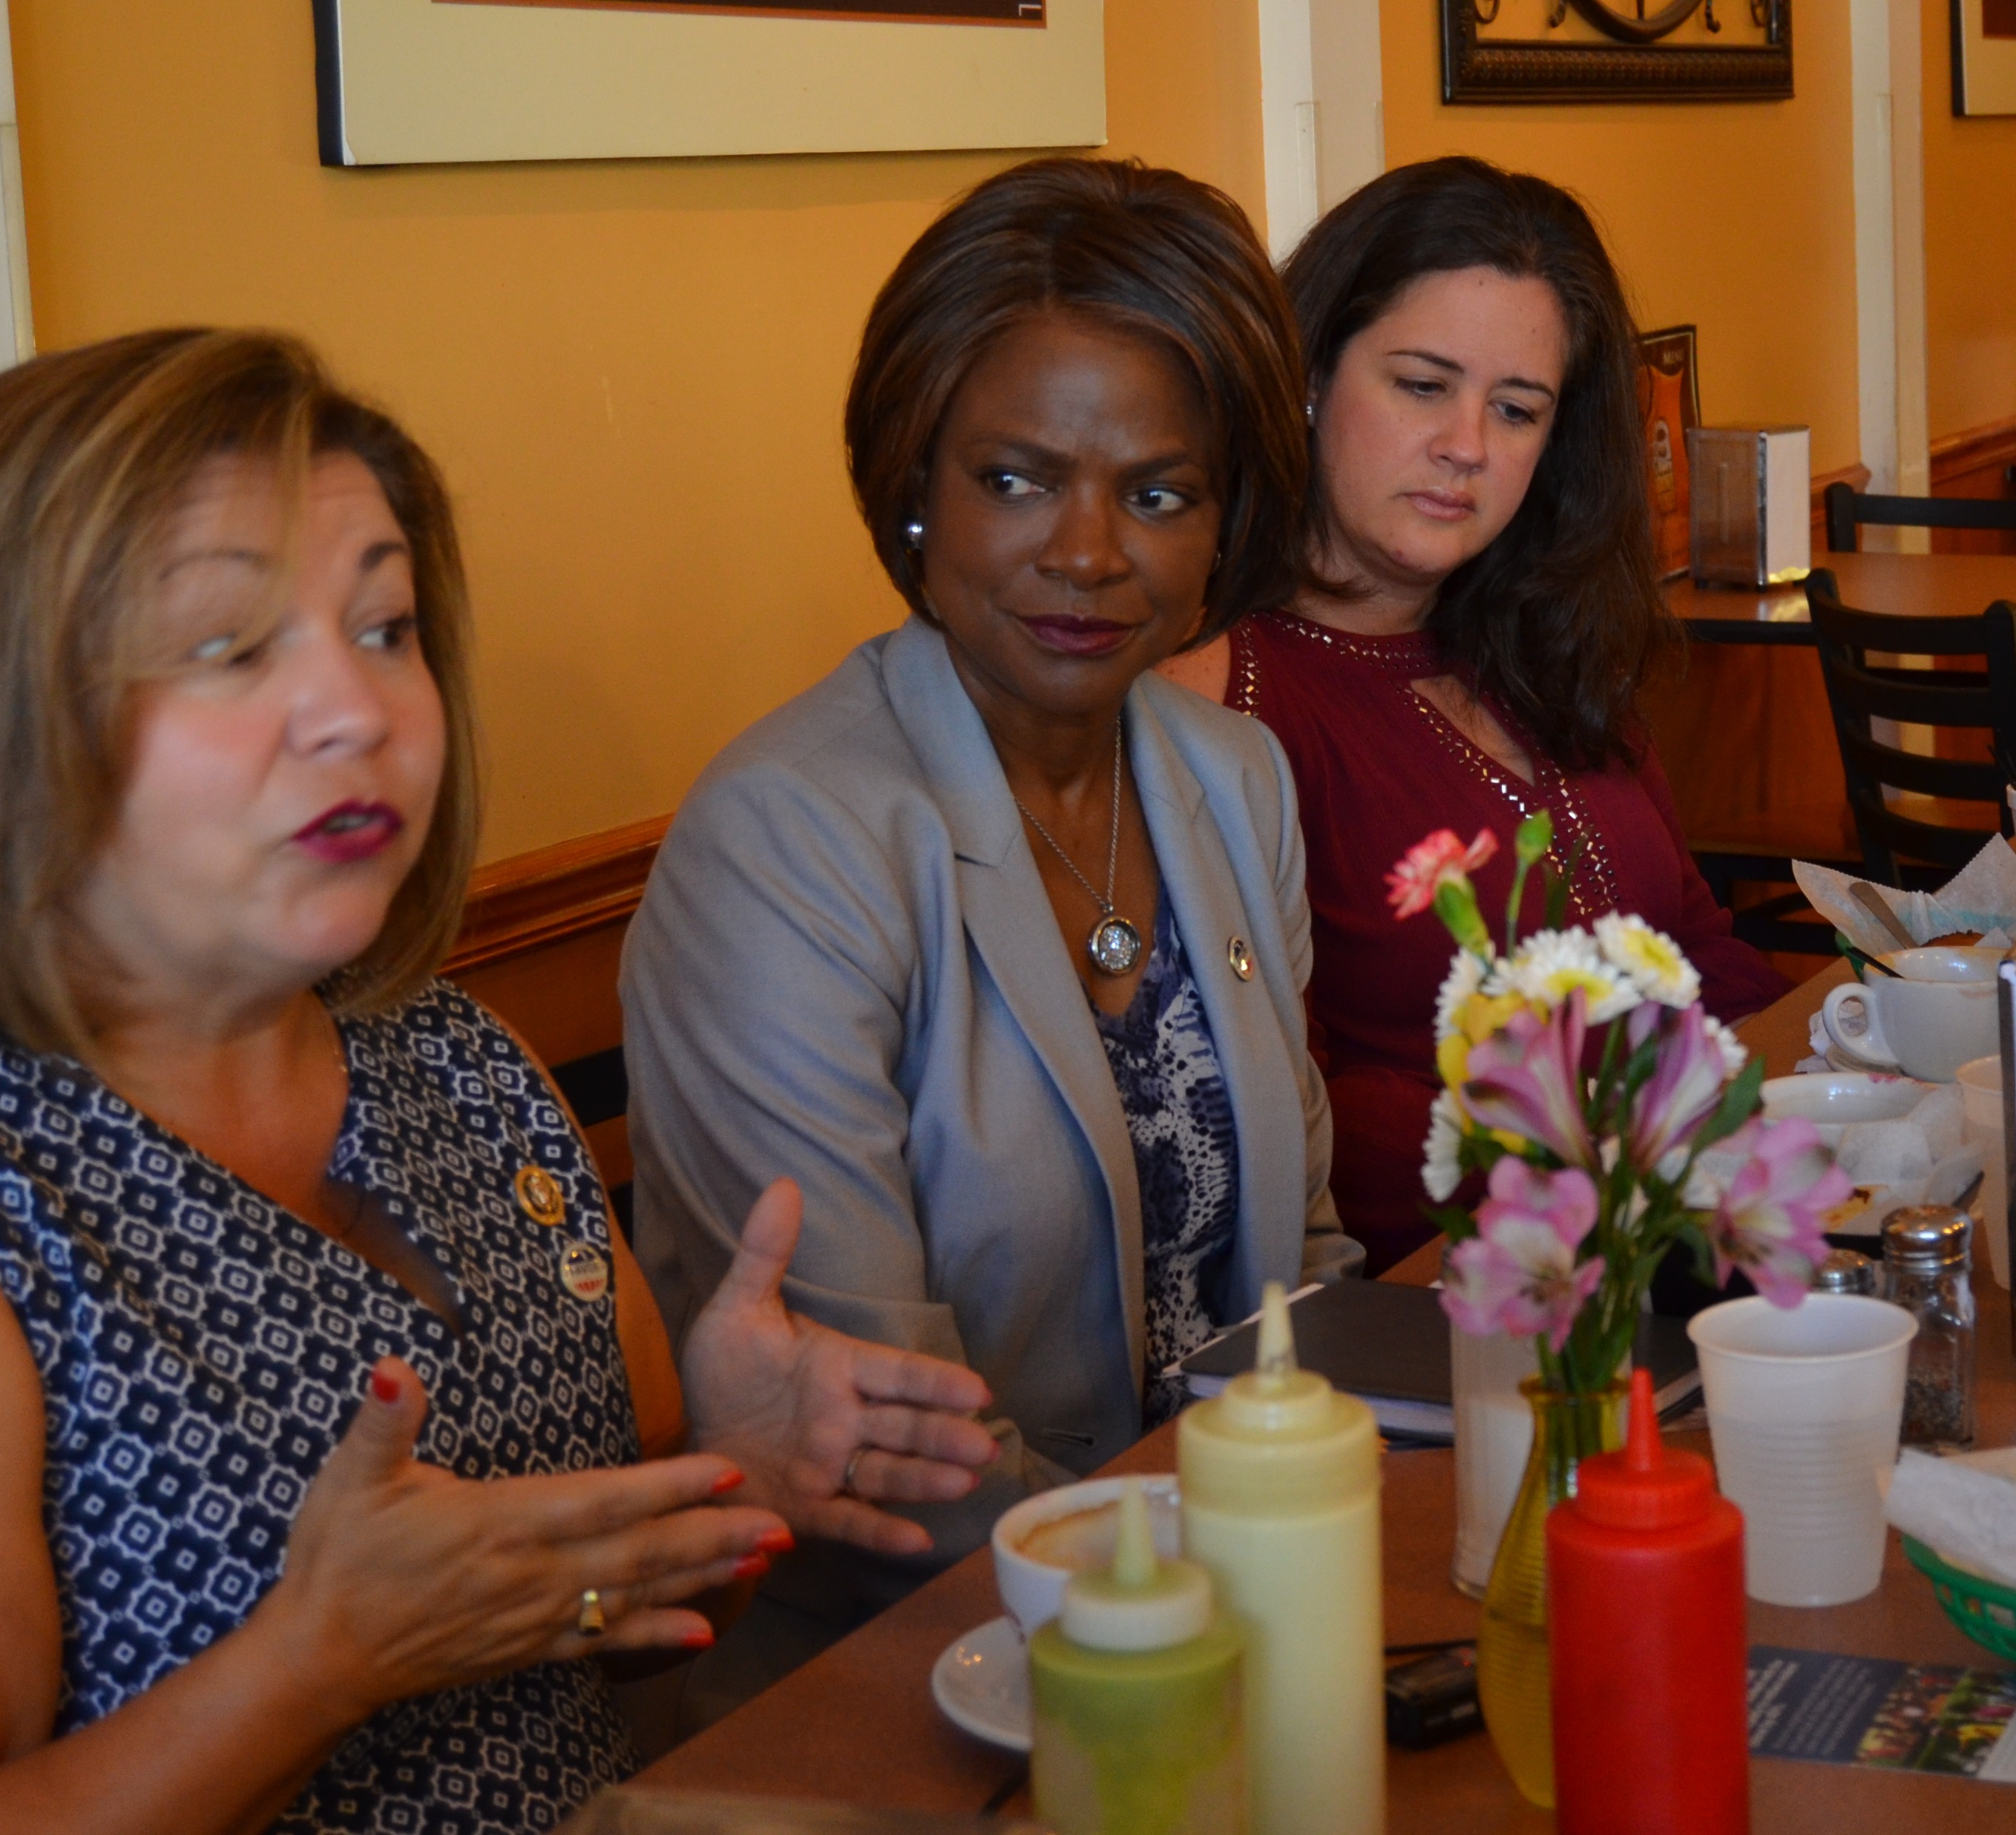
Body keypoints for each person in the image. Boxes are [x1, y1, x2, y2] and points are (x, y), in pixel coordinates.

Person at [0, 329, 999, 1835]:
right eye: (229, 648)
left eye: (383, 628)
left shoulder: (442, 1057)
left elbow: (581, 1623)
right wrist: (314, 1665)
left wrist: (726, 1468)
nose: (360, 711)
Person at [621, 157, 1358, 1704]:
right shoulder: (787, 839)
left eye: (1157, 494)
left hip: (1238, 1612)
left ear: (1224, 524)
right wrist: (1211, 1601)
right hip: (893, 1680)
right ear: (912, 480)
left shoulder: (1232, 779)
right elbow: (889, 1443)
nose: (1086, 553)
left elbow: (1298, 1270)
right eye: (1015, 477)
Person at [1160, 157, 1788, 1273]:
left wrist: (1845, 1070)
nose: (1468, 445)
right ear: (1306, 376)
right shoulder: (1223, 698)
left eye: (1516, 408)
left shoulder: (1545, 639)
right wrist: (1621, 1155)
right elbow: (1287, 1123)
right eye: (1420, 384)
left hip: (1688, 1238)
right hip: (1447, 1309)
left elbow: (1694, 949)